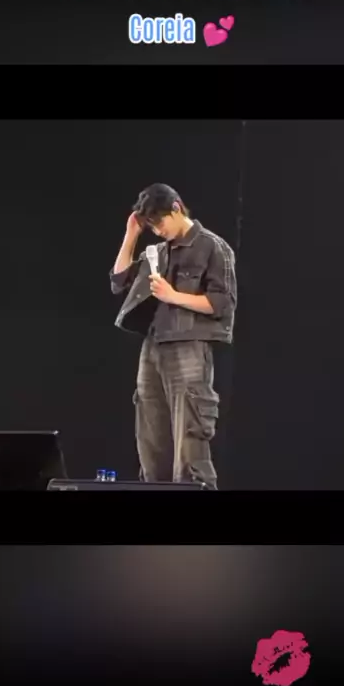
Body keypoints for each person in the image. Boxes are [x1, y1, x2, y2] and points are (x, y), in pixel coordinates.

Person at [109, 183, 237, 489]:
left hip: (188, 347)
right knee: (151, 443)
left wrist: (173, 296)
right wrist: (131, 233)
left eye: (159, 223)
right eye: (151, 227)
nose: (157, 231)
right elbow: (119, 280)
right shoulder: (158, 251)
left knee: (189, 445)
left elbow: (222, 304)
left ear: (176, 208)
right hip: (153, 348)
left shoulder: (212, 246)